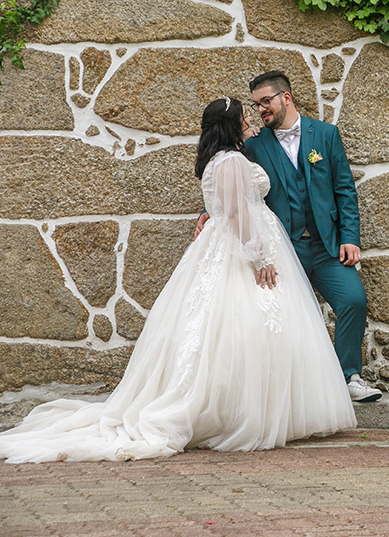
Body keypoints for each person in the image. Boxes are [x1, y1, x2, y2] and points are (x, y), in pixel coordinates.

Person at [0, 98, 355, 463]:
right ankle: (241, 412)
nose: (251, 120)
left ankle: (260, 408)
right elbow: (235, 212)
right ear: (231, 125)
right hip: (244, 249)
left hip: (229, 246)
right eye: (245, 117)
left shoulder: (219, 159)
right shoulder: (232, 160)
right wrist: (261, 257)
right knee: (249, 324)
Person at [196, 71, 381, 403]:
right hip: (283, 248)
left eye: (266, 101)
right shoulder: (252, 145)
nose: (261, 109)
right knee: (281, 318)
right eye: (256, 104)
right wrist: (208, 214)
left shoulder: (325, 135)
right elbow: (232, 189)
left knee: (353, 299)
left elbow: (344, 190)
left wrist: (349, 237)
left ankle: (348, 377)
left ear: (286, 97)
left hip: (326, 248)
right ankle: (297, 391)